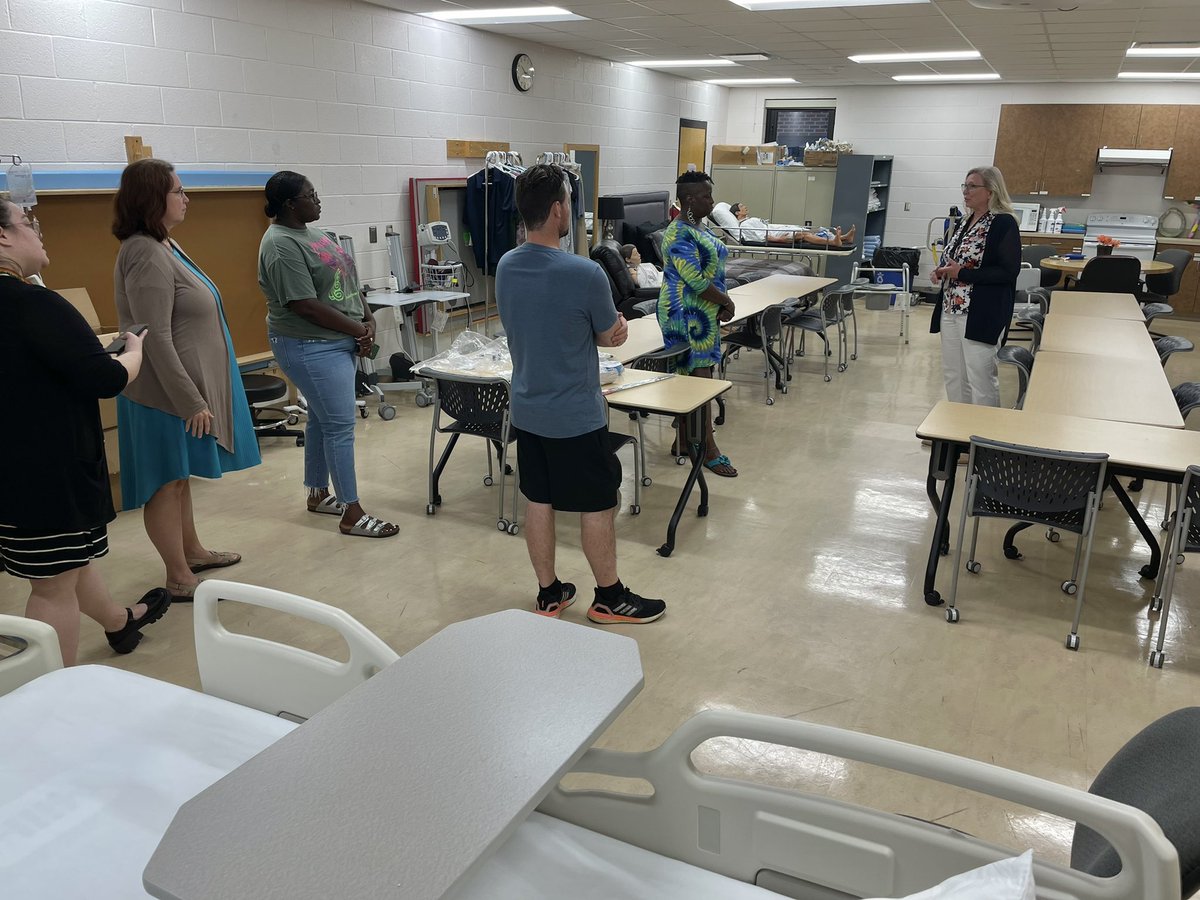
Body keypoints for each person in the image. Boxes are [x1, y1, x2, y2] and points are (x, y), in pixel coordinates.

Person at [0, 197, 171, 664]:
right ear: (3, 237)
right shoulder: (35, 304)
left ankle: (120, 621)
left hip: (14, 473)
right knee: (53, 587)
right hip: (44, 470)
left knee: (68, 562)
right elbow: (105, 379)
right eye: (28, 223)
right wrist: (132, 352)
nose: (38, 232)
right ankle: (57, 695)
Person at [497, 164, 665, 625]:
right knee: (598, 503)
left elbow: (539, 324)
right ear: (557, 210)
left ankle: (549, 594)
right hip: (574, 412)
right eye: (568, 202)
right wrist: (614, 331)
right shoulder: (584, 272)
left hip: (528, 408)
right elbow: (610, 335)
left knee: (538, 499)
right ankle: (609, 597)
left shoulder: (507, 265)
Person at [113, 159, 260, 602]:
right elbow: (151, 336)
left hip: (178, 392)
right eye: (177, 191)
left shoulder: (164, 245)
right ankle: (178, 577)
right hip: (162, 395)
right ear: (151, 199)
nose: (186, 197)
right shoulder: (143, 251)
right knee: (165, 481)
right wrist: (190, 400)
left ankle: (192, 552)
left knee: (180, 478)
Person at [258, 171, 398, 539]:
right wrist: (357, 331)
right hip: (310, 345)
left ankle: (319, 493)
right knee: (339, 426)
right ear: (290, 204)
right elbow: (304, 304)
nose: (318, 200)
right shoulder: (280, 244)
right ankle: (352, 512)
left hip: (338, 340)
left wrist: (367, 322)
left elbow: (348, 285)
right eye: (311, 194)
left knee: (321, 420)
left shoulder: (316, 234)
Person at [658, 171, 738, 478]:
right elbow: (694, 280)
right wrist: (726, 302)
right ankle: (708, 449)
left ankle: (682, 441)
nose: (712, 200)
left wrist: (719, 301)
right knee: (700, 380)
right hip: (684, 313)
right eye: (706, 195)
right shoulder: (678, 233)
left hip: (703, 312)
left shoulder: (697, 227)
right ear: (690, 199)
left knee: (697, 376)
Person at [929, 166, 1021, 407]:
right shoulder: (964, 221)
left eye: (972, 186)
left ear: (990, 191)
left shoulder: (1003, 223)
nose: (966, 191)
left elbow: (1008, 272)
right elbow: (955, 258)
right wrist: (942, 271)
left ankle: (982, 439)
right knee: (954, 375)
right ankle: (957, 431)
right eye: (965, 185)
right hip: (951, 308)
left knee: (980, 377)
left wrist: (963, 273)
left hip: (981, 311)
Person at [728, 202, 856, 248]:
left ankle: (843, 238)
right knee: (804, 235)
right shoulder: (745, 224)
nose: (745, 207)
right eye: (742, 207)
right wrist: (780, 239)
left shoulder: (750, 220)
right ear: (738, 213)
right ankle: (834, 243)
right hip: (776, 235)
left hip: (776, 229)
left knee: (805, 231)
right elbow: (762, 236)